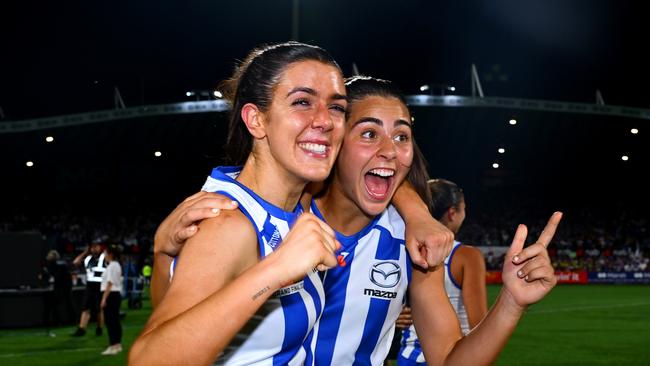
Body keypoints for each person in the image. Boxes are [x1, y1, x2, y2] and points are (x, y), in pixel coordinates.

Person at [155, 76, 562, 365]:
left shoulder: (410, 242)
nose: (391, 150)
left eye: (402, 136)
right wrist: (162, 252)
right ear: (331, 142)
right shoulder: (274, 212)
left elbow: (449, 360)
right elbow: (172, 328)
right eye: (368, 133)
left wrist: (511, 303)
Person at [132, 43, 451, 366]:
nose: (325, 121)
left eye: (337, 108)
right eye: (302, 102)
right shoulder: (229, 222)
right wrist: (276, 269)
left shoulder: (289, 205)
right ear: (256, 120)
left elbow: (179, 319)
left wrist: (416, 211)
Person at [398, 179, 488, 365]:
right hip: (450, 356)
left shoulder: (406, 247)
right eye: (464, 209)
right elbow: (479, 325)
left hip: (408, 355)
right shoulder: (467, 256)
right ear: (452, 213)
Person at [71, 241, 105, 336]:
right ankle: (81, 329)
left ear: (100, 247)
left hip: (100, 286)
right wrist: (85, 252)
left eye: (96, 246)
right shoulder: (88, 258)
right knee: (85, 308)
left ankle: (100, 328)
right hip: (90, 286)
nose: (94, 249)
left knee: (99, 309)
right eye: (92, 247)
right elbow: (75, 262)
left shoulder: (104, 257)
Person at [41, 249, 75, 336]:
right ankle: (67, 321)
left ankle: (65, 321)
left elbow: (58, 276)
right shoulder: (58, 264)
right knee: (63, 303)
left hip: (63, 285)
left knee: (63, 303)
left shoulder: (57, 265)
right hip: (62, 285)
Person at [100, 245, 124, 355]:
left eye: (105, 253)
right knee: (114, 321)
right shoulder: (115, 265)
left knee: (111, 321)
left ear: (110, 254)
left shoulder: (113, 265)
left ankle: (113, 345)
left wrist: (104, 299)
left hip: (111, 295)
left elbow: (109, 283)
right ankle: (116, 345)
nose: (104, 256)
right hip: (114, 295)